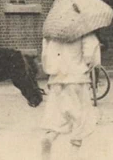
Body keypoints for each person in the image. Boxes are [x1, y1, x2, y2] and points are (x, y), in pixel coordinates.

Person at [40, 30, 101, 160]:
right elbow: (92, 58)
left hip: (57, 79)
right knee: (81, 116)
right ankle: (74, 152)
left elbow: (45, 57)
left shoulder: (52, 32)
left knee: (57, 114)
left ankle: (50, 136)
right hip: (77, 79)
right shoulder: (84, 30)